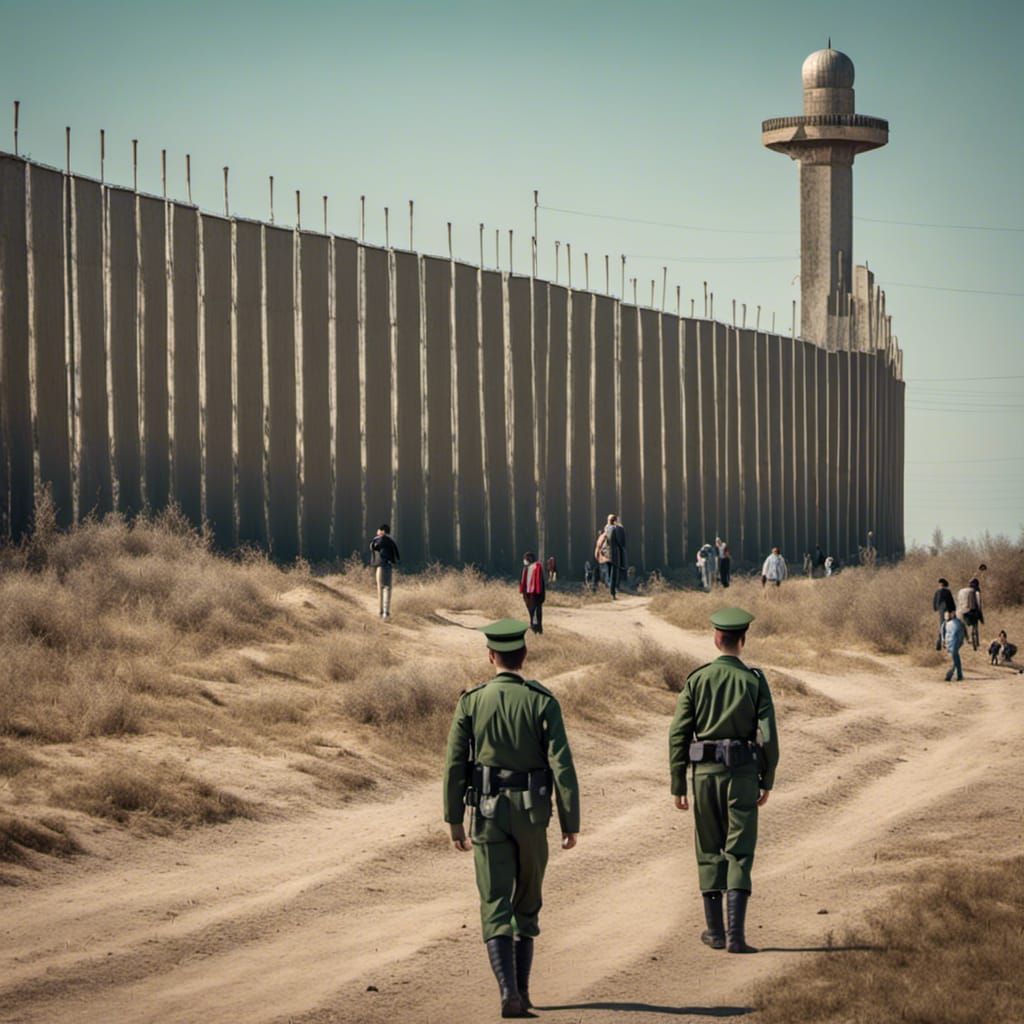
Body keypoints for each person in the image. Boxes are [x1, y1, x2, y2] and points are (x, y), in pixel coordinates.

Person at [443, 619, 580, 1018]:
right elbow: (562, 765)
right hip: (533, 814)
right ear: (525, 655)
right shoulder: (542, 701)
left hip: (486, 813)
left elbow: (454, 764)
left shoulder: (471, 702)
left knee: (494, 900)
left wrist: (453, 819)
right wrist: (571, 821)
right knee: (527, 902)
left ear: (490, 656)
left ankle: (508, 992)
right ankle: (522, 990)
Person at [668, 607, 779, 955]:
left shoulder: (697, 680)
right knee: (739, 851)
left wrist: (678, 783)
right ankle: (736, 936)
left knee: (708, 848)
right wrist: (767, 776)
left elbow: (678, 735)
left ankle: (714, 932)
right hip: (743, 774)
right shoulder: (754, 681)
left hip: (704, 777)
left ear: (716, 639)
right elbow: (769, 736)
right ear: (742, 640)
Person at [369, 524, 400, 619]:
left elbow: (372, 547)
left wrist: (379, 537)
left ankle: (380, 612)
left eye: (378, 530)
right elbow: (397, 555)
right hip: (389, 566)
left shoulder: (378, 539)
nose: (377, 532)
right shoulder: (391, 541)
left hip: (381, 567)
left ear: (382, 531)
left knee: (380, 588)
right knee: (388, 589)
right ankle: (386, 613)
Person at [519, 552, 545, 635]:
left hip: (534, 593)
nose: (524, 560)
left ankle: (536, 628)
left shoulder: (537, 566)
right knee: (531, 610)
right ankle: (533, 625)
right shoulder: (526, 568)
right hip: (527, 594)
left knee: (535, 611)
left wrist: (539, 594)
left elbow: (539, 581)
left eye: (525, 559)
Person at [604, 514, 628, 600]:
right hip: (614, 554)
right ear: (615, 520)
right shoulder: (616, 529)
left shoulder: (606, 528)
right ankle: (612, 593)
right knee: (613, 575)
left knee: (608, 573)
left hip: (606, 554)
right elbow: (621, 542)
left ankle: (609, 590)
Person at [932, 578, 957, 651]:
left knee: (942, 626)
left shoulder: (937, 592)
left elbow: (934, 602)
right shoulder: (947, 592)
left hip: (941, 611)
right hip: (948, 611)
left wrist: (936, 609)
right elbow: (951, 602)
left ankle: (939, 643)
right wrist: (954, 610)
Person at [942, 610, 966, 682]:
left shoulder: (957, 623)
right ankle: (958, 675)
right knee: (956, 658)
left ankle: (951, 675)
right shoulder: (945, 623)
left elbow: (961, 634)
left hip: (954, 643)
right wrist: (944, 642)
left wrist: (960, 642)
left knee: (955, 658)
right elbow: (943, 634)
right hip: (951, 643)